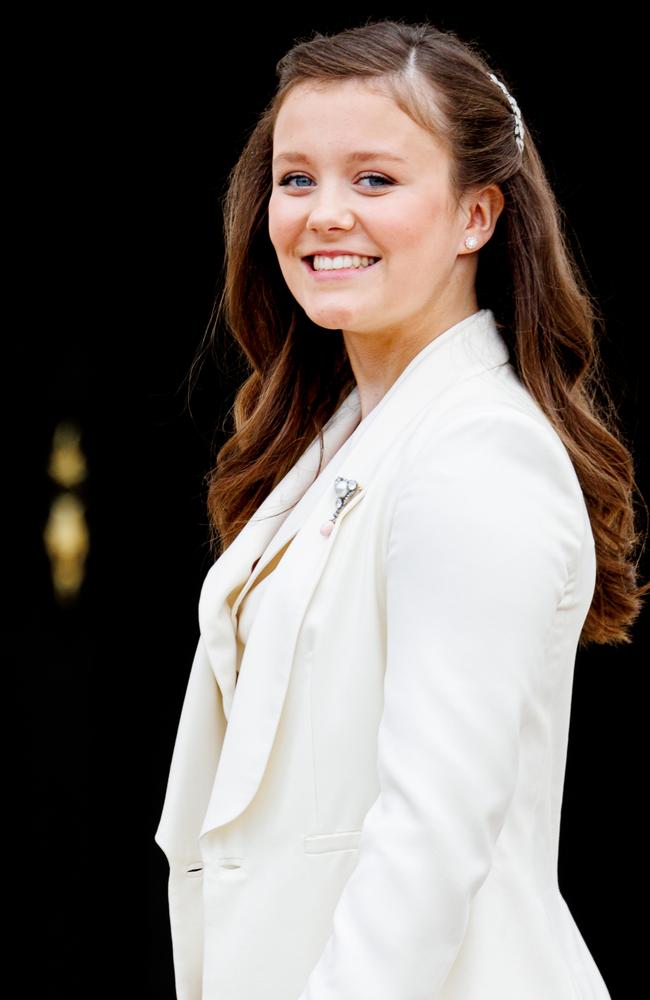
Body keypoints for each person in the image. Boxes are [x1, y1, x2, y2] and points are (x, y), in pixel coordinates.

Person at [154, 19, 647, 1000]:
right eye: (296, 179)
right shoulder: (337, 439)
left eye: (373, 179)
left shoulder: (474, 456)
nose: (323, 213)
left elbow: (428, 836)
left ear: (475, 215)